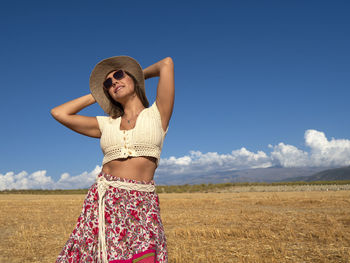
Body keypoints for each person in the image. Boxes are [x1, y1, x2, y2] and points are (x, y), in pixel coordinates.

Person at [51, 55, 175, 263]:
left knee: (144, 257)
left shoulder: (157, 114)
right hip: (106, 201)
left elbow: (166, 63)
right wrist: (98, 94)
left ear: (134, 80)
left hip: (142, 203)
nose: (114, 82)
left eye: (119, 76)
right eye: (108, 83)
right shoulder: (105, 123)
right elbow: (59, 112)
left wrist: (136, 76)